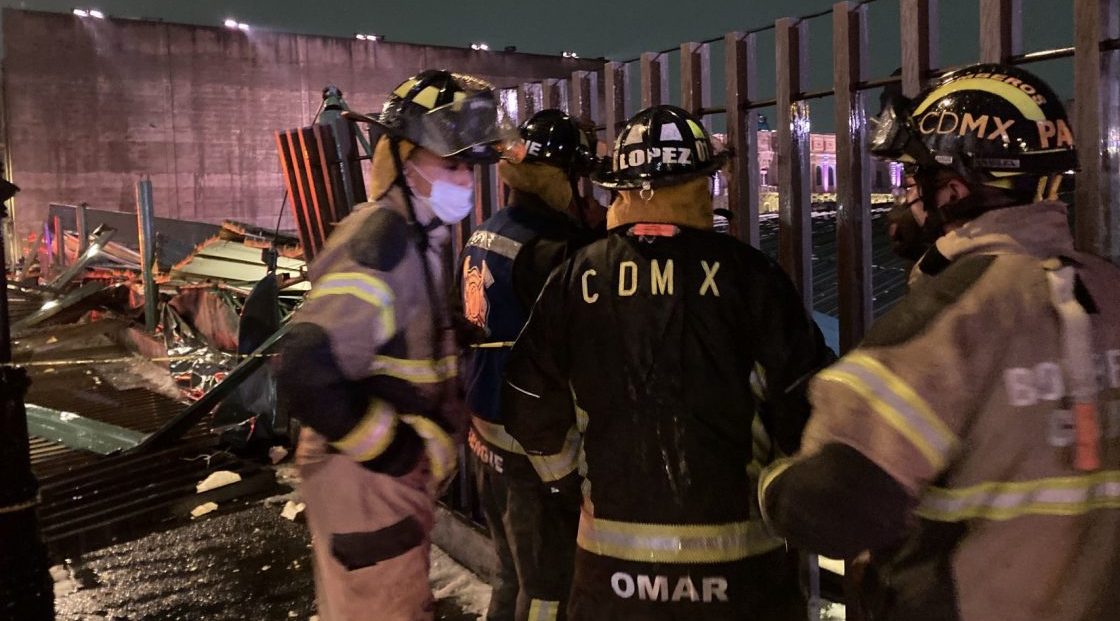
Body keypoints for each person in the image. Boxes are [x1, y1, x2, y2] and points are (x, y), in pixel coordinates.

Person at [759, 63, 1120, 621]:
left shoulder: (954, 314)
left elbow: (834, 506)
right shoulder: (1109, 290)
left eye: (911, 179)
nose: (902, 199)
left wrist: (772, 479)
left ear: (953, 188)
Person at [501, 104, 834, 621]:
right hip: (741, 575)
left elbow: (526, 399)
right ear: (701, 184)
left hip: (610, 572)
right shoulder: (750, 278)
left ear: (622, 190)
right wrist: (777, 493)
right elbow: (809, 401)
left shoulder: (576, 278)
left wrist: (571, 485)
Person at [275, 69, 509, 621]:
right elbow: (306, 369)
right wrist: (397, 452)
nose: (466, 181)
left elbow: (387, 332)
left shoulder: (416, 233)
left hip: (379, 482)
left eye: (469, 167)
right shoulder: (384, 241)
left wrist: (449, 335)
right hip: (367, 480)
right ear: (405, 162)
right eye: (451, 165)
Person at [455, 108, 601, 621]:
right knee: (548, 587)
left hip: (485, 435)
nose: (586, 195)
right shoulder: (554, 250)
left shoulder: (485, 232)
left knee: (512, 573)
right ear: (557, 175)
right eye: (578, 180)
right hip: (535, 451)